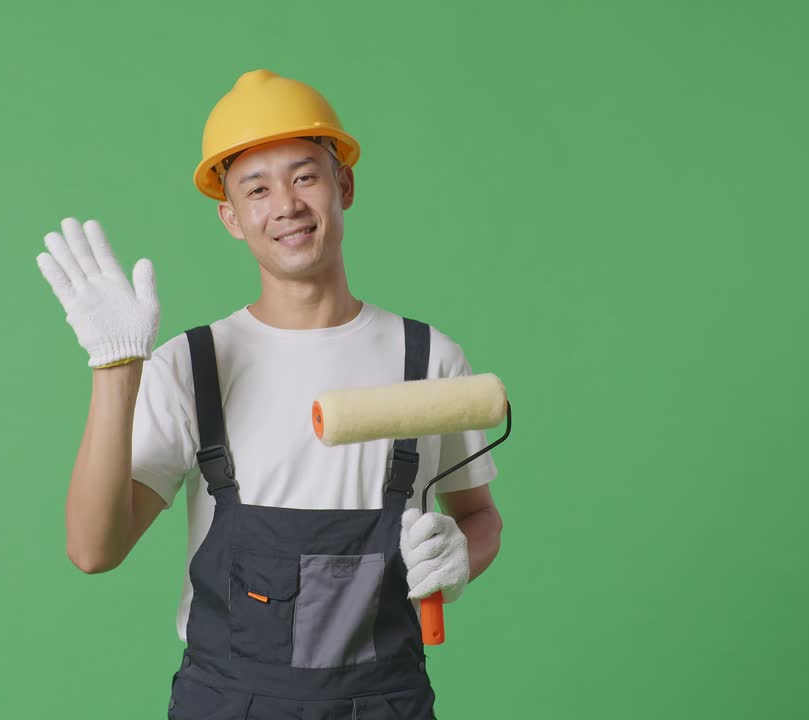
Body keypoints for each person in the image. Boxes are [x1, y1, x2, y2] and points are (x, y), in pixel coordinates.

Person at [37, 69, 504, 719]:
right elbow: (94, 549)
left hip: (384, 703)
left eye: (305, 176)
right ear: (231, 216)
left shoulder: (427, 360)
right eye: (257, 188)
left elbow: (479, 516)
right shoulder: (194, 367)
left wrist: (461, 556)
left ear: (344, 185)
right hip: (230, 704)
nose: (286, 204)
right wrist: (116, 370)